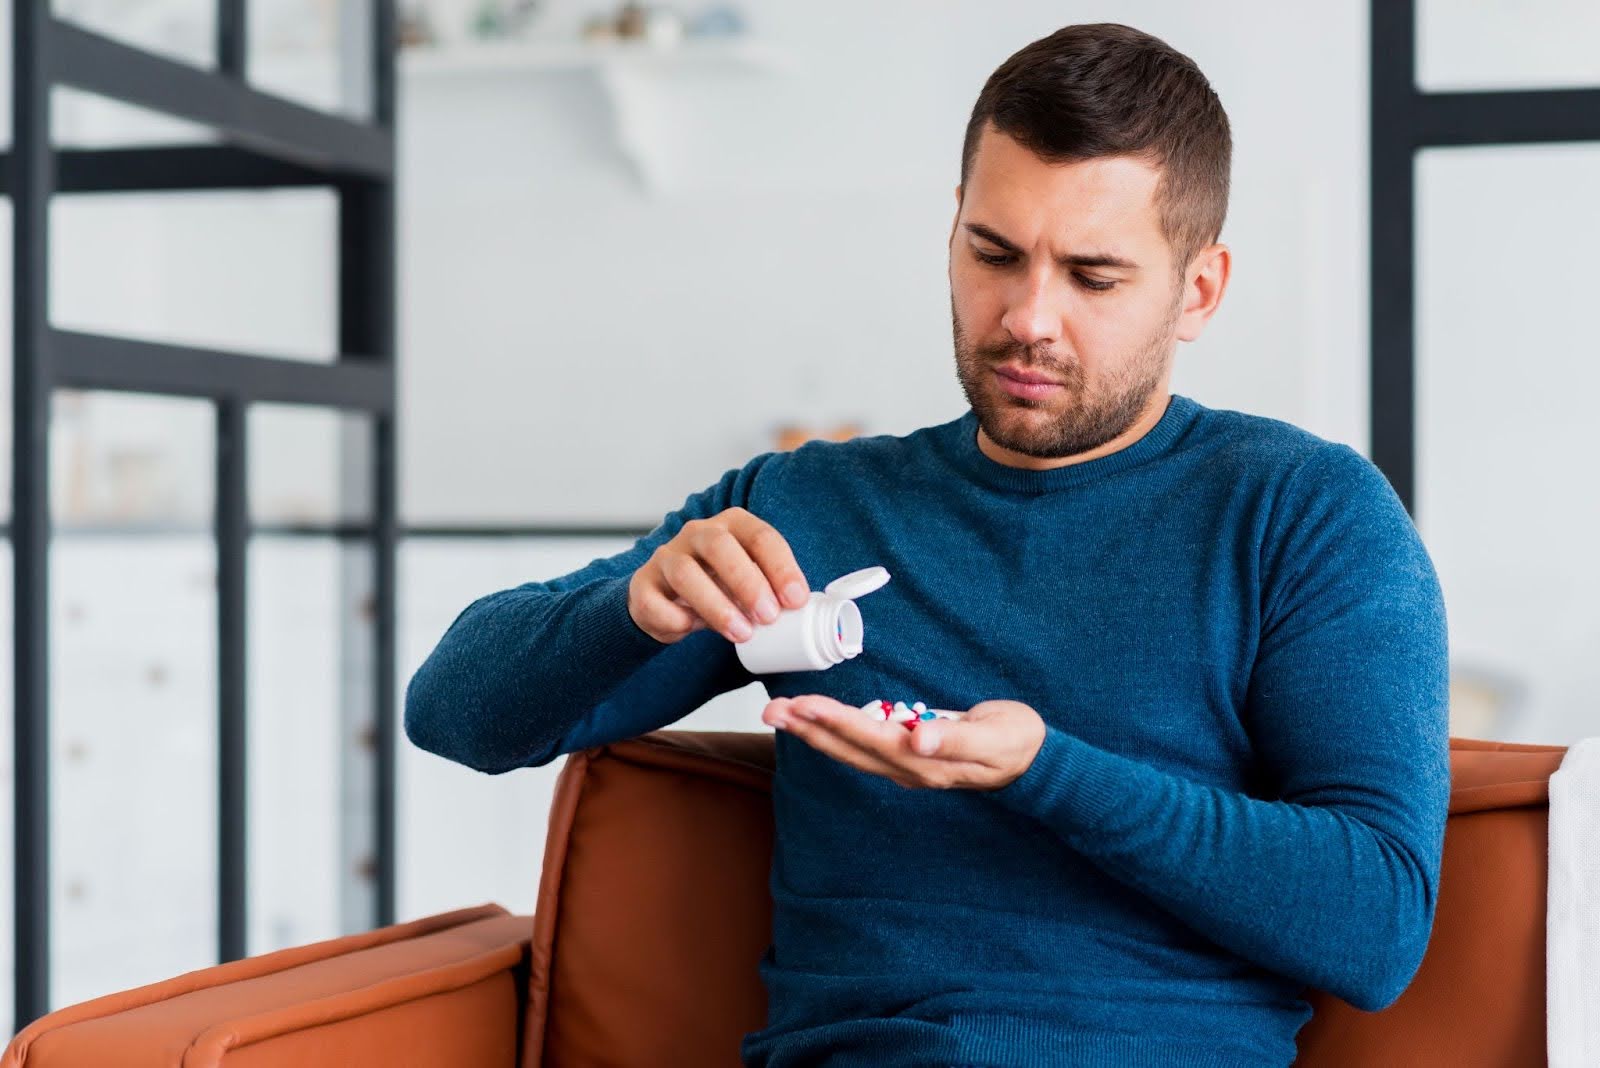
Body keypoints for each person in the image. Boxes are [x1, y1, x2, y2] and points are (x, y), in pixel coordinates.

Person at [405, 22, 1449, 1068]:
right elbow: (452, 715)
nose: (1026, 318)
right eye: (994, 254)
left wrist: (1042, 770)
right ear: (952, 230)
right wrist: (629, 604)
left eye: (1092, 277)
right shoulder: (812, 504)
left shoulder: (1303, 513)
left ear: (1198, 291)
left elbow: (1376, 927)